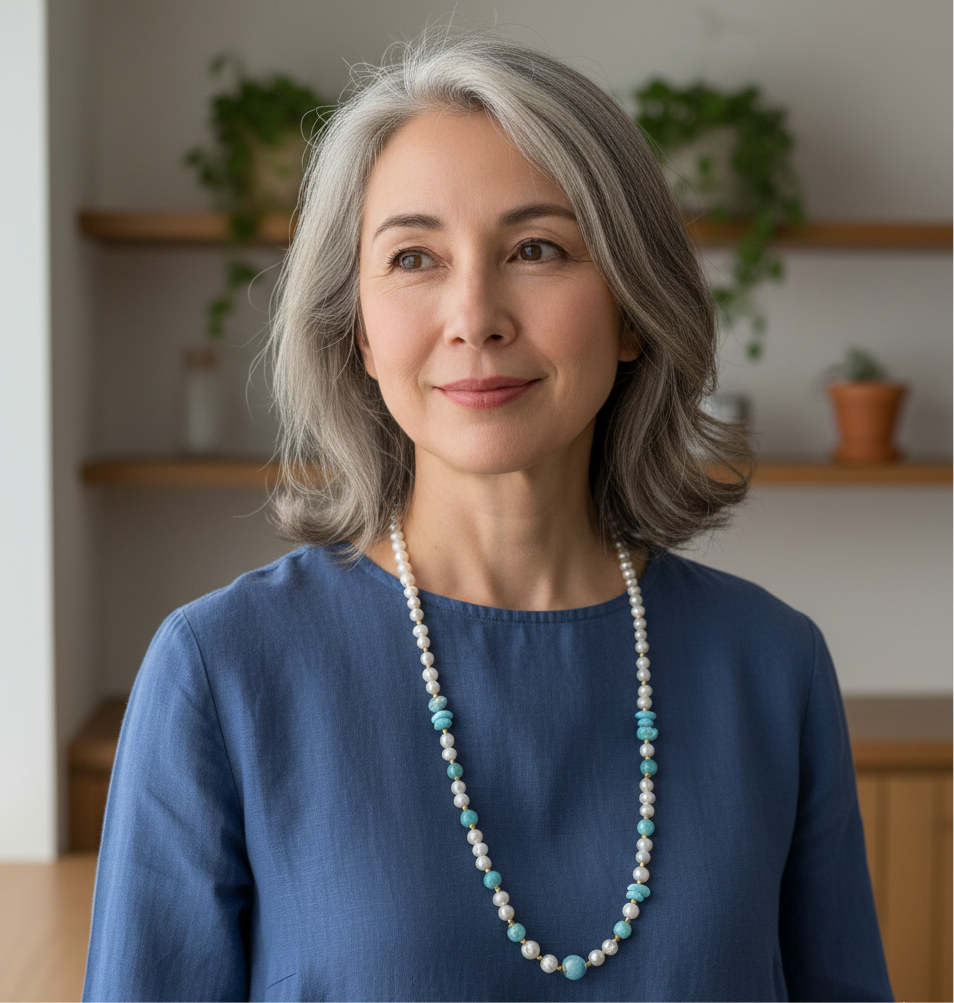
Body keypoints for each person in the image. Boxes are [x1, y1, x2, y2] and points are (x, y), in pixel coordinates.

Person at [82, 30, 894, 1002]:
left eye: (536, 249)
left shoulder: (772, 664)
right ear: (358, 334)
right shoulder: (223, 672)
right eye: (415, 257)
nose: (475, 314)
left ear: (633, 309)